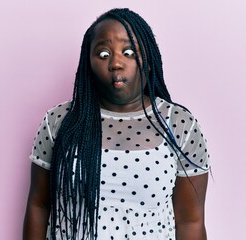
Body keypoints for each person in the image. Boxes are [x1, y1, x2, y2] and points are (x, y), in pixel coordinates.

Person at [23, 8, 210, 240]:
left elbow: (190, 220)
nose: (116, 63)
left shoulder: (180, 124)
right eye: (103, 54)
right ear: (88, 64)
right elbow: (39, 206)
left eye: (129, 52)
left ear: (149, 60)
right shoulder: (59, 122)